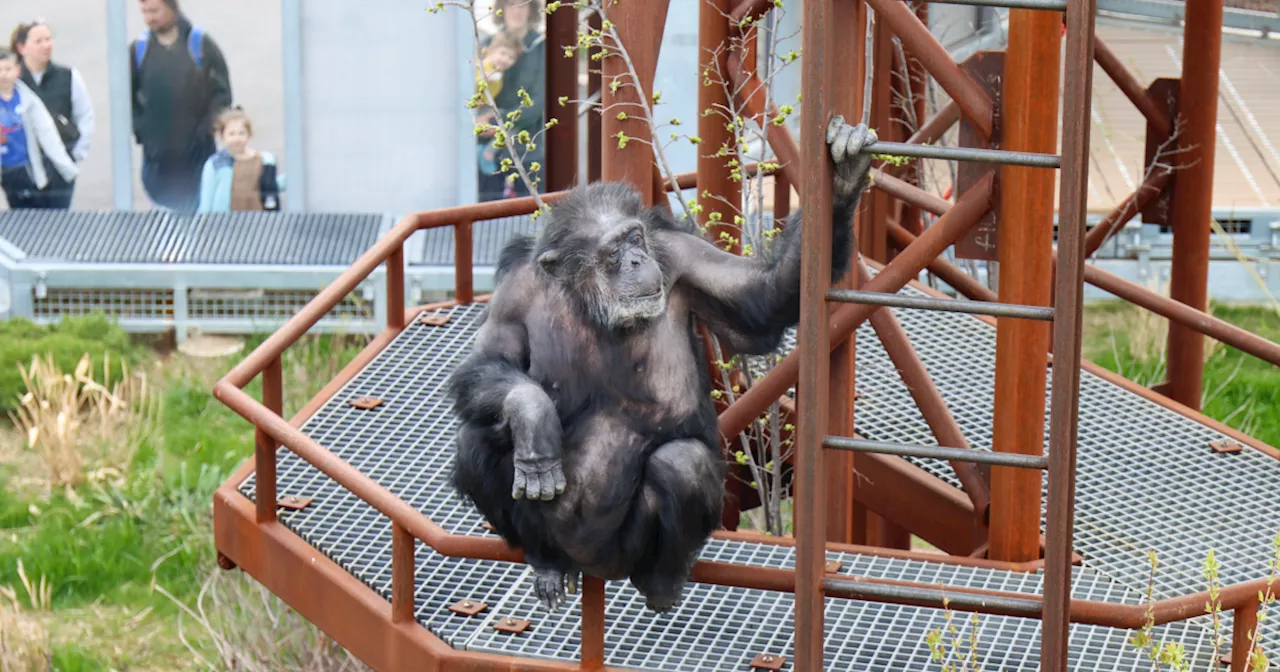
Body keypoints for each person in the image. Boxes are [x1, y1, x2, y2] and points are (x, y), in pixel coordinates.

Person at [130, 0, 232, 213]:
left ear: (173, 8)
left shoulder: (200, 45)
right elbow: (127, 99)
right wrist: (142, 131)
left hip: (197, 155)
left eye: (155, 11)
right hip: (158, 159)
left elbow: (222, 94)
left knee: (198, 218)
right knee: (165, 222)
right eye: (145, 12)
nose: (149, 17)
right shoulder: (139, 50)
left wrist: (207, 128)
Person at [11, 20, 95, 209]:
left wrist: (76, 153)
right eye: (39, 41)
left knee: (58, 221)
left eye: (48, 39)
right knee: (24, 224)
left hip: (59, 163)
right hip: (22, 168)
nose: (46, 45)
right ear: (22, 48)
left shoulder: (68, 76)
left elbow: (85, 114)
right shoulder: (13, 81)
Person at [477, 0, 545, 201]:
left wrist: (497, 121)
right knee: (487, 214)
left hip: (527, 148)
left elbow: (539, 101)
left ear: (531, 10)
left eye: (522, 5)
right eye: (511, 4)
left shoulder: (540, 47)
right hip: (486, 149)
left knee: (530, 214)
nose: (516, 11)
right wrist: (480, 121)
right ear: (501, 9)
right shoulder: (487, 44)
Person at [0, 48, 77, 209]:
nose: (3, 75)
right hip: (4, 169)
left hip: (26, 168)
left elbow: (47, 132)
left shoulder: (28, 100)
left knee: (29, 214)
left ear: (17, 70)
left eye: (7, 69)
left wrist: (66, 166)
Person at [196, 106, 284, 213]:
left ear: (249, 135)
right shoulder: (215, 164)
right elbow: (207, 199)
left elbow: (271, 187)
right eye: (231, 134)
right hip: (225, 222)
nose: (237, 138)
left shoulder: (264, 160)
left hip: (257, 220)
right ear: (222, 136)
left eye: (241, 133)